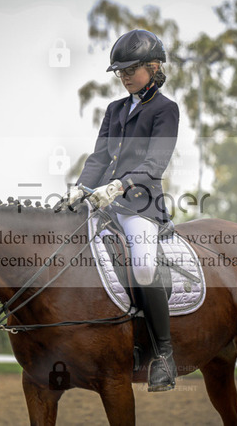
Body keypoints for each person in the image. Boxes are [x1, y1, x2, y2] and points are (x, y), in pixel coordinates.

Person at [67, 29, 179, 392]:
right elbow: (99, 157)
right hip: (102, 202)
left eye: (131, 69)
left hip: (140, 205)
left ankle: (164, 355)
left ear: (154, 67)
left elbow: (155, 163)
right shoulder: (115, 109)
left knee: (143, 266)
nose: (124, 76)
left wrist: (118, 186)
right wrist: (80, 188)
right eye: (120, 71)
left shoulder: (166, 110)